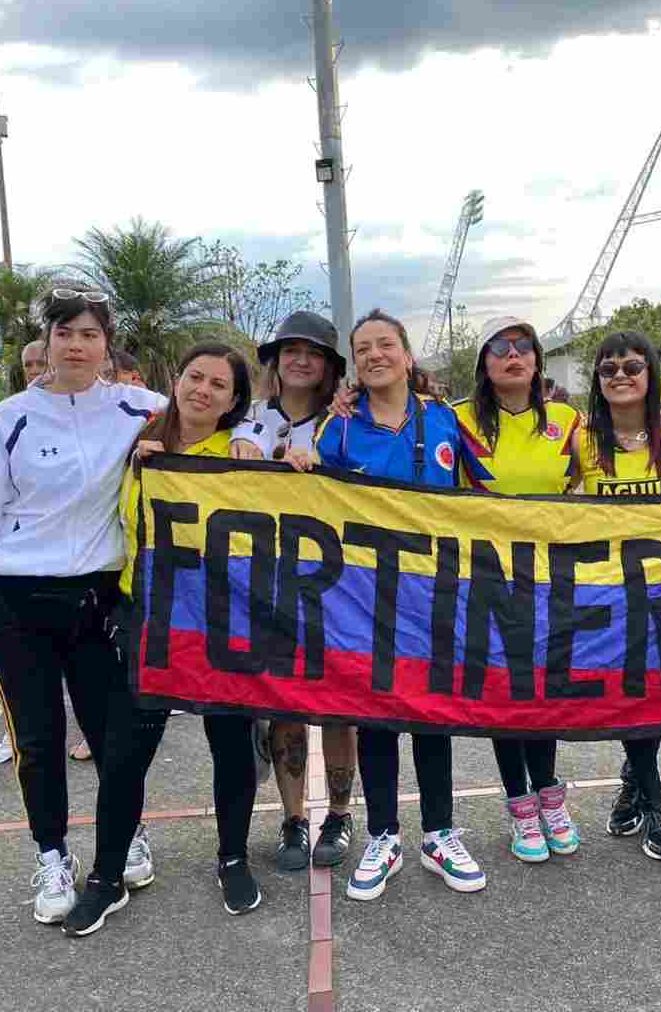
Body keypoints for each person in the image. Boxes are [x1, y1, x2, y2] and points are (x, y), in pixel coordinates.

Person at [0, 288, 168, 926]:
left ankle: (126, 836)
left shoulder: (138, 409)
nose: (77, 345)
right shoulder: (12, 416)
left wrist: (260, 442)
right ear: (48, 341)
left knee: (111, 737)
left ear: (107, 344)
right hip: (17, 603)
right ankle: (52, 854)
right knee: (38, 741)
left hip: (98, 602)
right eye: (66, 333)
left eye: (90, 335)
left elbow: (218, 415)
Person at [286, 308, 486, 902]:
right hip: (365, 601)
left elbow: (490, 498)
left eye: (386, 345)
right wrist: (297, 465)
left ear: (405, 353)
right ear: (355, 362)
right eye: (364, 348)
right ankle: (382, 835)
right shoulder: (338, 428)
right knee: (375, 714)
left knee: (431, 714)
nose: (376, 355)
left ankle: (441, 832)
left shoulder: (445, 421)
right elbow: (313, 497)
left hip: (437, 596)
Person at [64, 342, 262, 934]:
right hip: (146, 617)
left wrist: (271, 455)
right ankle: (105, 876)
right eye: (195, 377)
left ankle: (232, 857)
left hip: (221, 620)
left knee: (229, 745)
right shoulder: (135, 444)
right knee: (124, 755)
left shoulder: (240, 453)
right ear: (176, 380)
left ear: (233, 402)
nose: (203, 390)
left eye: (219, 385)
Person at [230, 311, 359, 872]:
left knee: (338, 705)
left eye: (313, 352)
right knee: (283, 707)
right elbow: (235, 459)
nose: (300, 360)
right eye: (290, 350)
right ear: (276, 361)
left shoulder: (348, 422)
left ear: (330, 365)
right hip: (270, 582)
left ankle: (339, 812)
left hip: (341, 584)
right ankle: (292, 818)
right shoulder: (251, 417)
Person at [576, 330, 661, 863]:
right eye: (608, 369)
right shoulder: (580, 440)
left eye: (632, 367)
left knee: (656, 697)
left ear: (653, 374)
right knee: (632, 697)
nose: (621, 376)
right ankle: (655, 804)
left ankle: (634, 779)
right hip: (608, 595)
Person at [453, 317, 584, 863]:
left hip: (552, 578)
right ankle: (520, 806)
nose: (513, 356)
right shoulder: (455, 420)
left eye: (523, 347)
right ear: (484, 362)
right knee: (504, 693)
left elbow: (599, 473)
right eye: (500, 348)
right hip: (484, 577)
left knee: (543, 690)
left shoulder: (568, 419)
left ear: (536, 360)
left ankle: (550, 795)